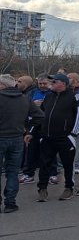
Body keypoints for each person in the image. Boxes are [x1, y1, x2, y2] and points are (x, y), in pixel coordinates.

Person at [36, 73, 79, 202]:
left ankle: (69, 187)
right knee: (44, 164)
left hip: (65, 138)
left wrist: (73, 135)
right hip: (47, 137)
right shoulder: (48, 96)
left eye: (54, 81)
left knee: (68, 165)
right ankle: (42, 189)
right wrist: (40, 133)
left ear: (63, 83)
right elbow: (41, 115)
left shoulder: (74, 96)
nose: (51, 83)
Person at [0, 74, 43, 213]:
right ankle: (10, 202)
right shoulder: (25, 99)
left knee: (10, 171)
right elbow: (40, 116)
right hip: (17, 138)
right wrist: (27, 129)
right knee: (13, 172)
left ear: (3, 85)